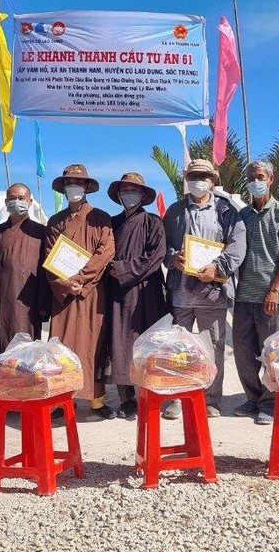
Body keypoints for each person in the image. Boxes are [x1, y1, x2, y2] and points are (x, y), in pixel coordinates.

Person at [162, 159, 247, 419]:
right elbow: (162, 246)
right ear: (186, 179)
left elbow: (237, 245)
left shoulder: (226, 210)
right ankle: (179, 396)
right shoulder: (175, 211)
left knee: (213, 347)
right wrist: (172, 258)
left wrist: (218, 268)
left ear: (212, 179)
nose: (198, 180)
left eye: (203, 176)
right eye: (193, 176)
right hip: (181, 292)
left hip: (213, 292)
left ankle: (212, 398)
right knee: (179, 348)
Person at [45, 164, 117, 419]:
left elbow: (105, 253)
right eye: (69, 183)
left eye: (78, 183)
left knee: (93, 346)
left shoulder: (101, 218)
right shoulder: (55, 221)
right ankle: (64, 400)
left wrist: (82, 280)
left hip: (92, 292)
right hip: (64, 295)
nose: (73, 187)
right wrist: (67, 283)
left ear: (87, 187)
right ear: (64, 188)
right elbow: (50, 256)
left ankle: (97, 401)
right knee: (62, 346)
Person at [233, 160, 279, 425]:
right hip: (244, 294)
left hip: (272, 296)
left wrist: (274, 289)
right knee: (243, 350)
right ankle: (253, 397)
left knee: (271, 351)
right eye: (251, 177)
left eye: (260, 176)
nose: (255, 181)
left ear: (271, 179)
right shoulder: (243, 215)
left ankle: (270, 403)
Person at [104, 172, 168, 419]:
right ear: (119, 195)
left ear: (142, 195)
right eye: (125, 190)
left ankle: (149, 393)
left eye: (134, 190)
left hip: (145, 292)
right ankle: (126, 397)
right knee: (120, 343)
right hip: (117, 293)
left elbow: (156, 256)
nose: (129, 194)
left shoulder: (153, 222)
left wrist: (121, 269)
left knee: (147, 343)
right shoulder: (112, 223)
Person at [0, 183, 49, 371]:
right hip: (2, 304)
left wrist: (45, 303)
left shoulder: (41, 232)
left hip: (31, 305)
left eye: (21, 199)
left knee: (29, 356)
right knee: (2, 352)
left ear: (29, 202)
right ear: (5, 202)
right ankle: (2, 399)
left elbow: (47, 271)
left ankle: (29, 398)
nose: (16, 202)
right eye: (12, 198)